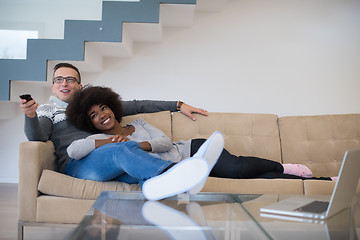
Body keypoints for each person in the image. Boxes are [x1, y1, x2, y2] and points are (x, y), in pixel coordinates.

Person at [66, 86, 336, 183]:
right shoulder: (94, 142)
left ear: (111, 107)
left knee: (239, 169)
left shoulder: (138, 123)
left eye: (103, 108)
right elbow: (73, 152)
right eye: (93, 115)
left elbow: (163, 143)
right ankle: (323, 180)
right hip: (186, 169)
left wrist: (140, 144)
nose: (102, 115)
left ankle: (284, 166)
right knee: (255, 179)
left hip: (190, 150)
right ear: (89, 123)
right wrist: (109, 141)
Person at [19, 62, 208, 176]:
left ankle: (178, 175)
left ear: (80, 85)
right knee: (122, 149)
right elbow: (38, 137)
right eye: (59, 80)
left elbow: (138, 105)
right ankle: (180, 172)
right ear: (53, 87)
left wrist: (178, 105)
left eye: (70, 79)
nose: (65, 83)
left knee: (131, 164)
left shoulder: (94, 107)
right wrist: (30, 115)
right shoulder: (47, 110)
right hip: (77, 162)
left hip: (109, 158)